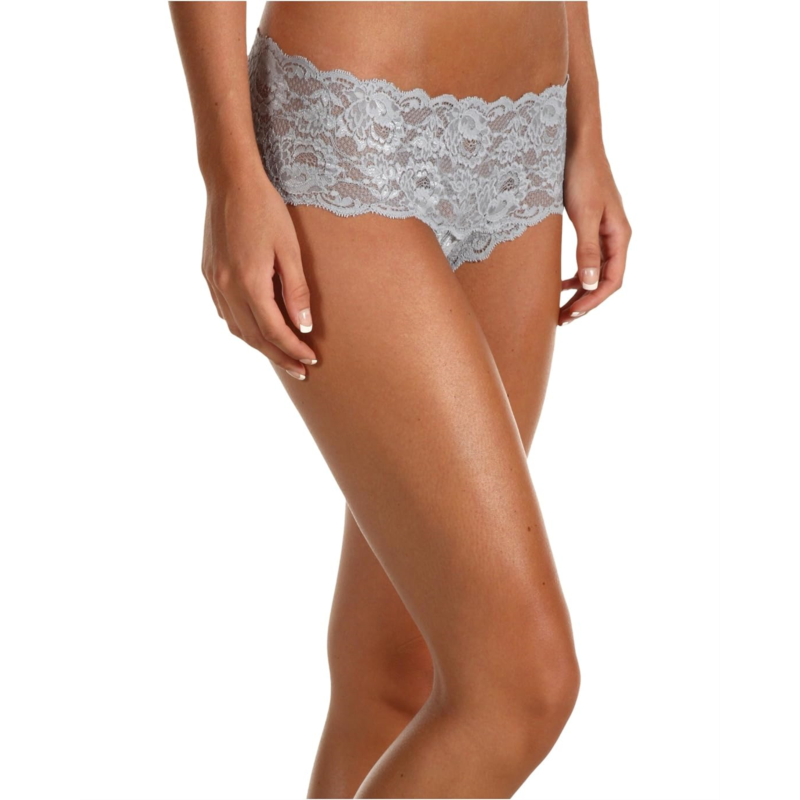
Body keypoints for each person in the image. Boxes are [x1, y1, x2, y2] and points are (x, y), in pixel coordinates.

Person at [170, 2, 631, 797]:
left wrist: (585, 128)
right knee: (522, 684)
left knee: (396, 672)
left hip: (527, 138)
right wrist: (229, 173)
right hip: (350, 124)